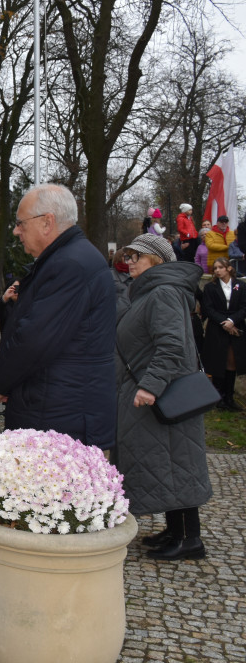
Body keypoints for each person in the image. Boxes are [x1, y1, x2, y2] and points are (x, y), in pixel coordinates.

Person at [0, 183, 117, 450]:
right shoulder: (68, 258)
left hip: (59, 413)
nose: (16, 231)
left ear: (47, 222)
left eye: (20, 223)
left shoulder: (69, 264)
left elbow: (34, 339)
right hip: (59, 404)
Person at [113, 234, 210, 560]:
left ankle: (189, 539)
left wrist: (150, 386)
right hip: (157, 395)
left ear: (156, 259)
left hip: (164, 396)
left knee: (177, 464)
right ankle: (175, 531)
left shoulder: (163, 292)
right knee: (168, 464)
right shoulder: (152, 291)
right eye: (128, 256)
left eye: (137, 256)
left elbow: (171, 346)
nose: (129, 261)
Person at [201, 257, 246, 411]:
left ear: (229, 268)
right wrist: (224, 322)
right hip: (217, 328)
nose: (217, 270)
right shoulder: (210, 287)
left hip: (235, 326)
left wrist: (232, 320)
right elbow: (208, 308)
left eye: (220, 267)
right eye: (215, 268)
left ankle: (229, 397)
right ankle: (218, 397)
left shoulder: (241, 285)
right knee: (218, 361)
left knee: (232, 360)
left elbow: (244, 307)